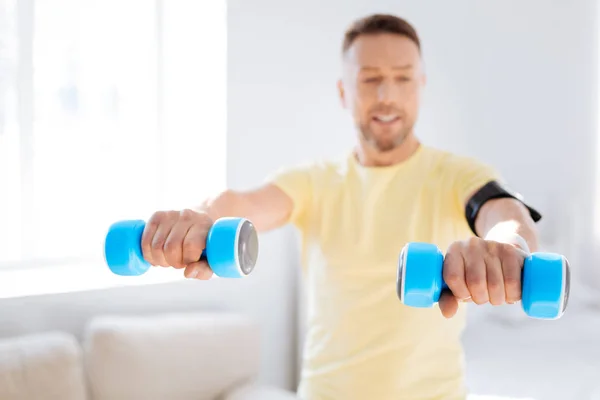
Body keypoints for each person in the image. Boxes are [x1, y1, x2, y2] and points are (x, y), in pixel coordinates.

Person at [140, 14, 541, 400]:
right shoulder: (313, 181)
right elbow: (243, 204)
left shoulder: (457, 174)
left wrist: (506, 246)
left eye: (402, 78)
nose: (387, 95)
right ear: (343, 91)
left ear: (420, 85)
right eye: (370, 80)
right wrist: (204, 220)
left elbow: (502, 213)